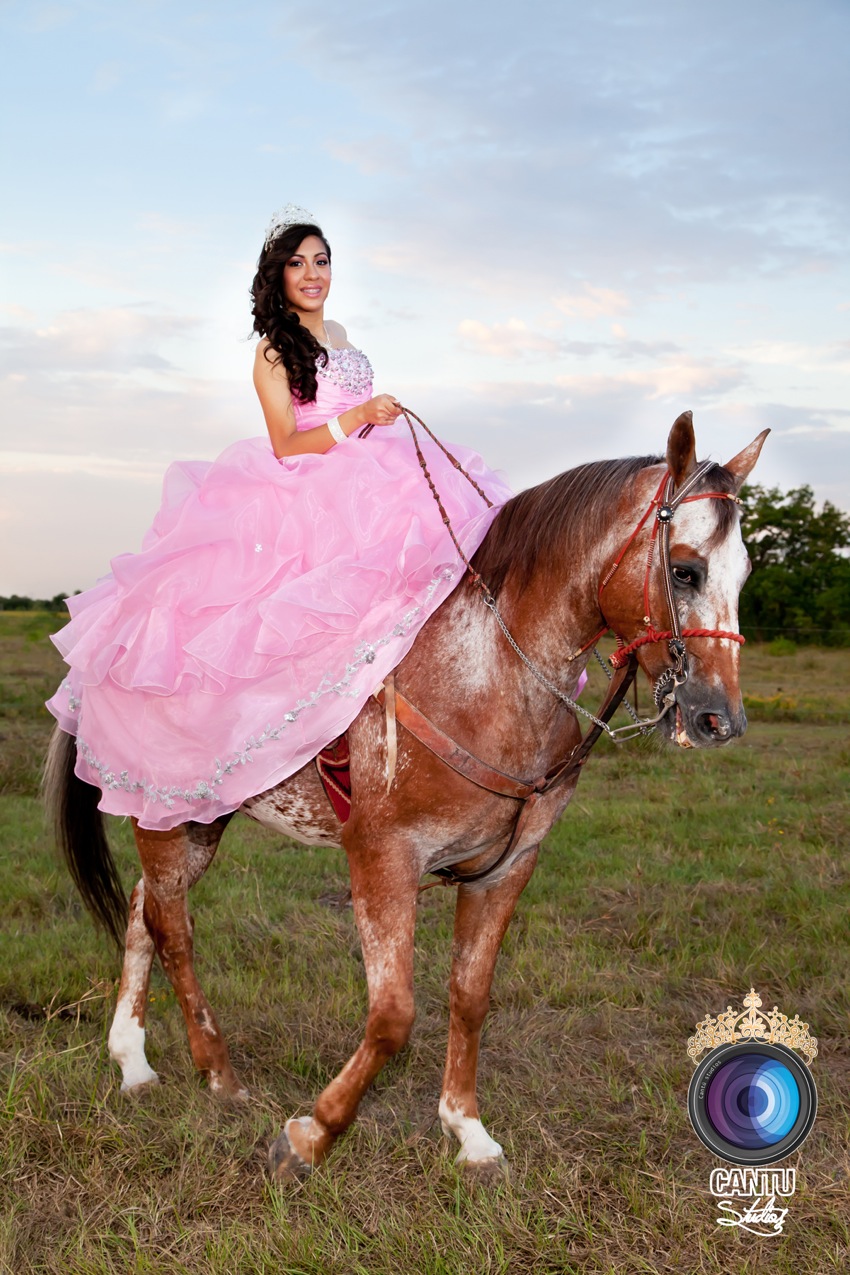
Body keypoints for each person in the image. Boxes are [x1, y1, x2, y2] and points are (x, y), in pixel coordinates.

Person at [46, 206, 514, 831]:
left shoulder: (341, 332)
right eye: (298, 264)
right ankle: (326, 751)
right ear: (279, 277)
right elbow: (288, 444)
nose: (313, 274)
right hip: (308, 488)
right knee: (318, 618)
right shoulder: (272, 352)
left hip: (375, 468)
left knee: (438, 571)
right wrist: (358, 417)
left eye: (321, 261)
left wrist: (375, 420)